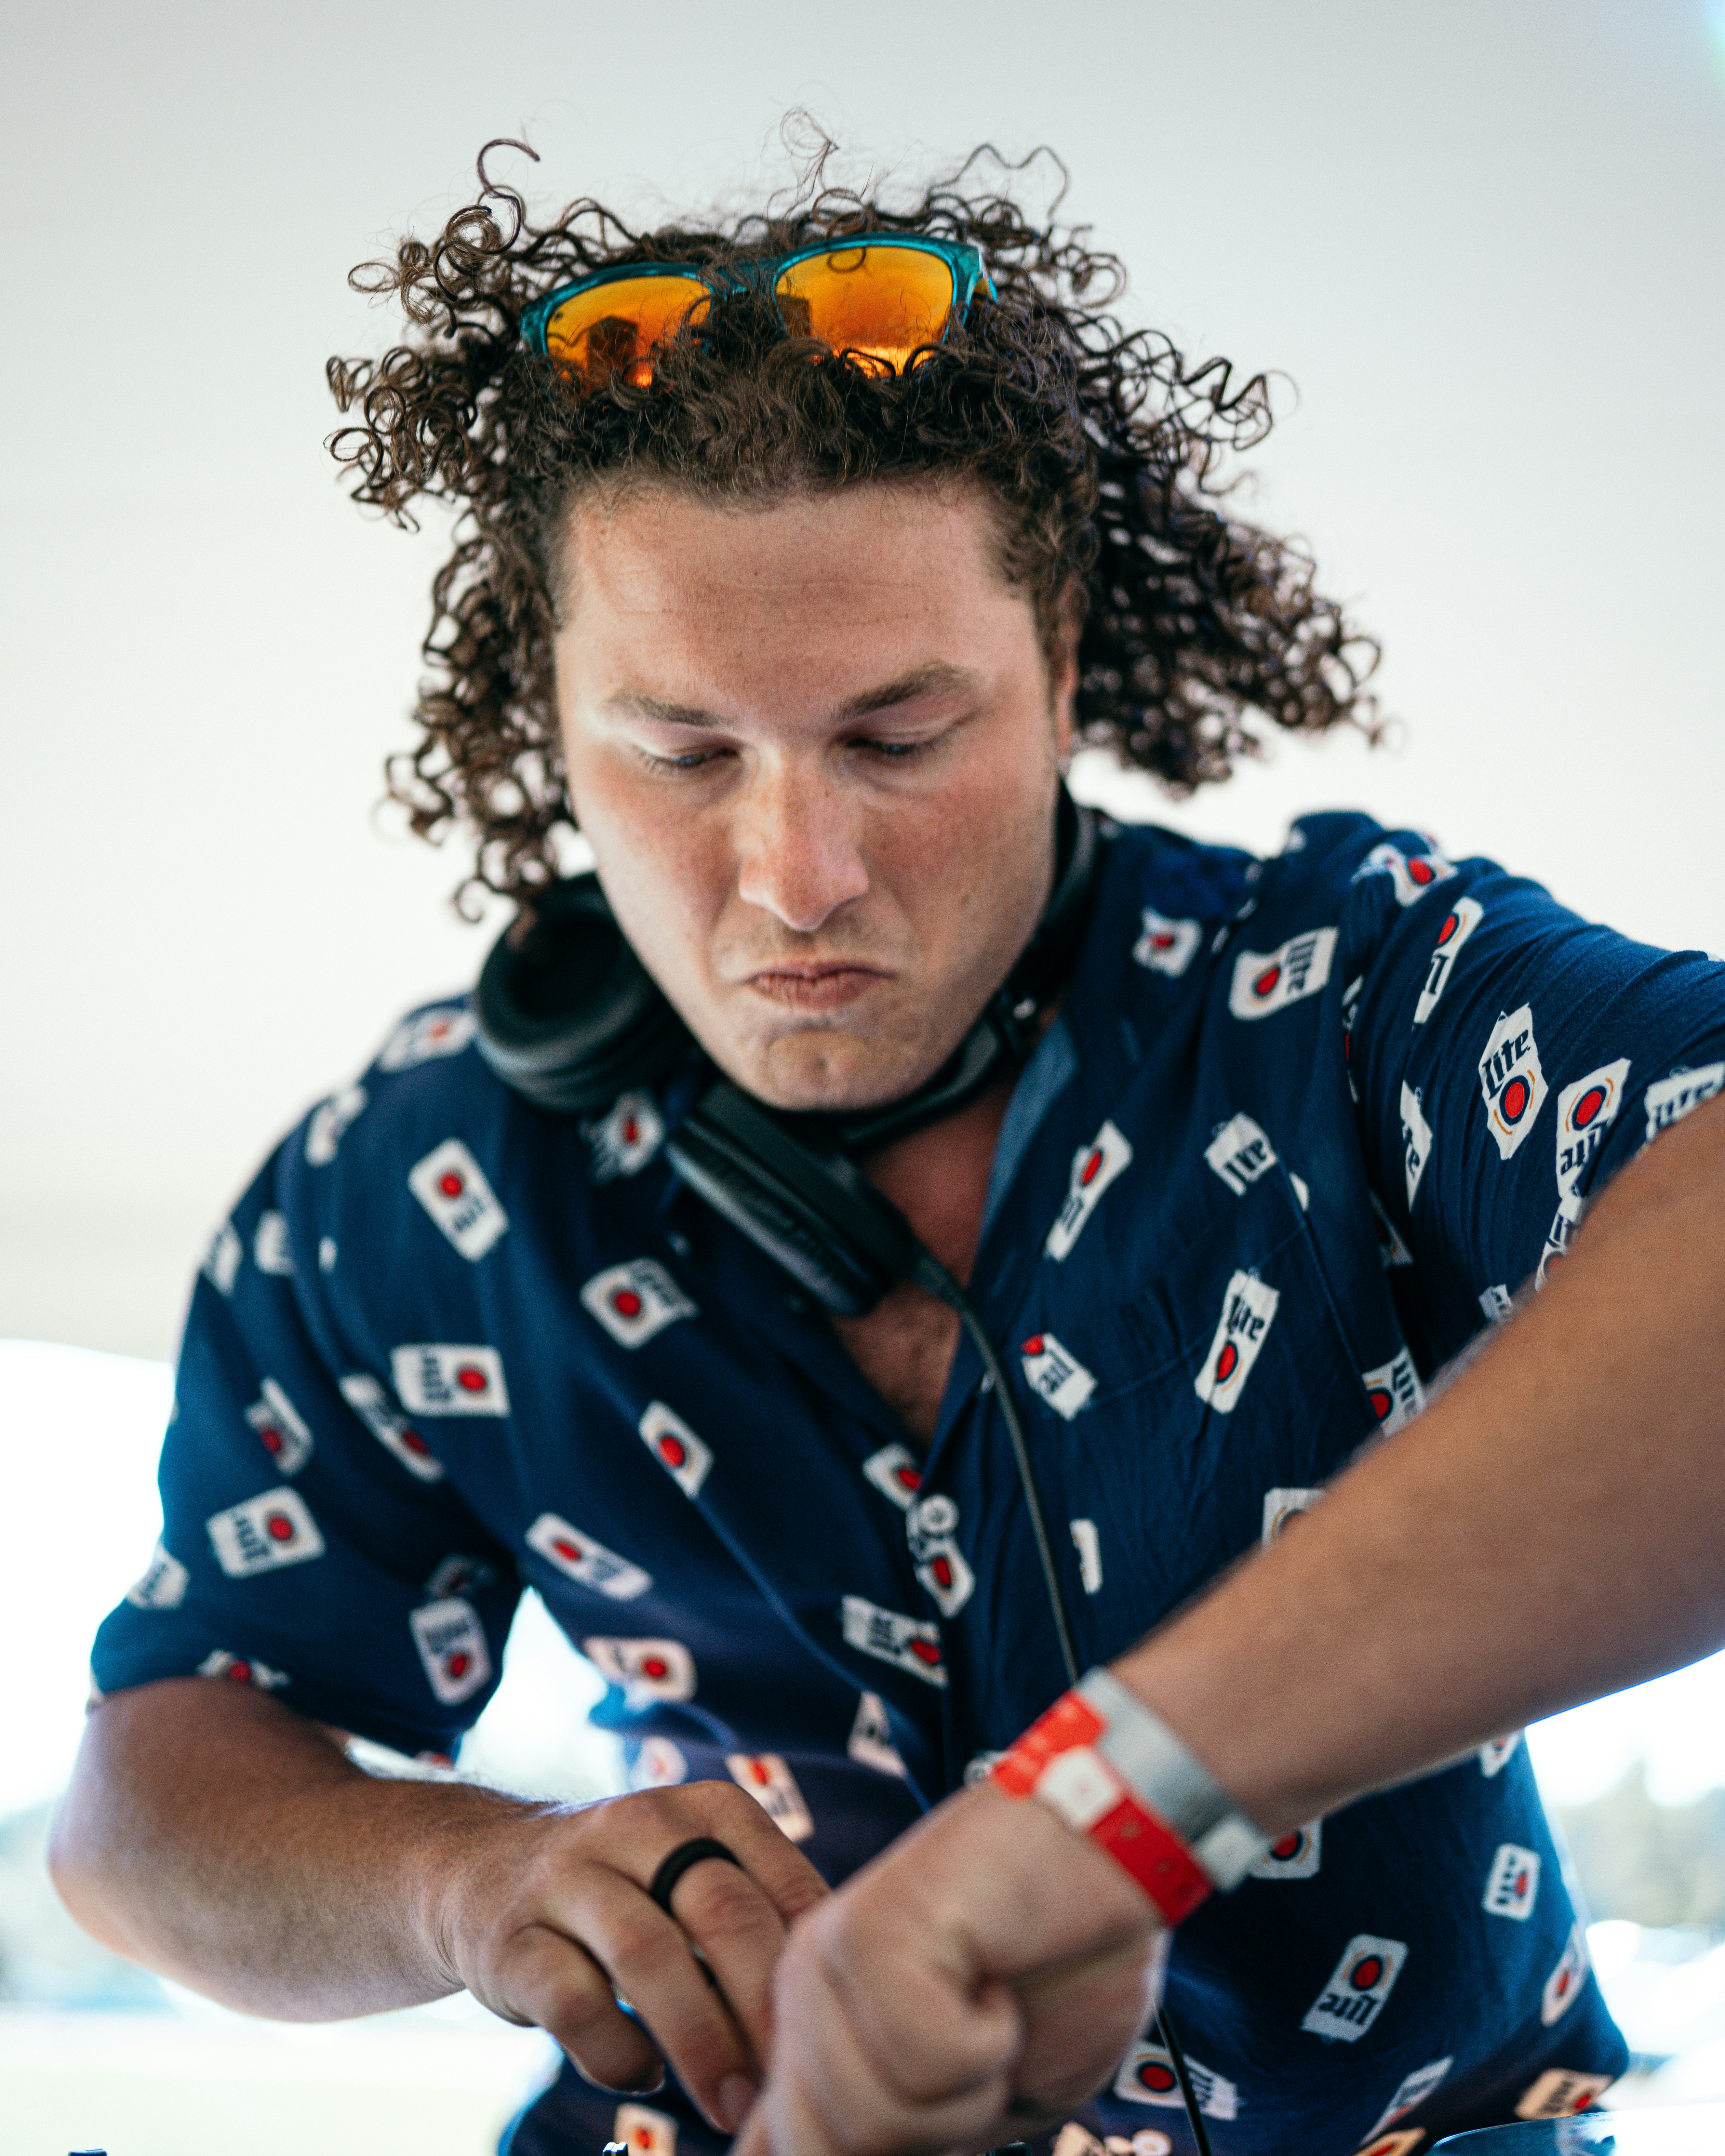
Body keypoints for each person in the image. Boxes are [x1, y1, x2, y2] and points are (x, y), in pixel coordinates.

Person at [47, 138, 1725, 2156]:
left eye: (897, 737)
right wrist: (464, 1880)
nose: (798, 874)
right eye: (679, 753)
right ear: (546, 720)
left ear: (1064, 675)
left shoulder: (1356, 995)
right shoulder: (402, 1186)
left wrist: (1120, 1799)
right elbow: (140, 1796)